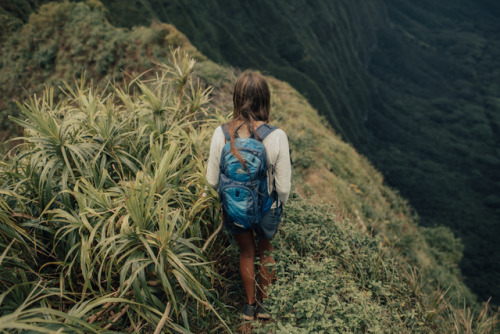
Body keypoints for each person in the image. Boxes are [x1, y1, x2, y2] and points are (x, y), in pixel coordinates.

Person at [206, 71, 291, 321]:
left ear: (236, 98)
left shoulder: (221, 134)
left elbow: (211, 180)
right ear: (265, 100)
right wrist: (276, 208)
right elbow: (283, 187)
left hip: (235, 206)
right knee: (265, 251)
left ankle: (249, 307)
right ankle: (265, 307)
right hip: (267, 208)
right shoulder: (277, 136)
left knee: (246, 252)